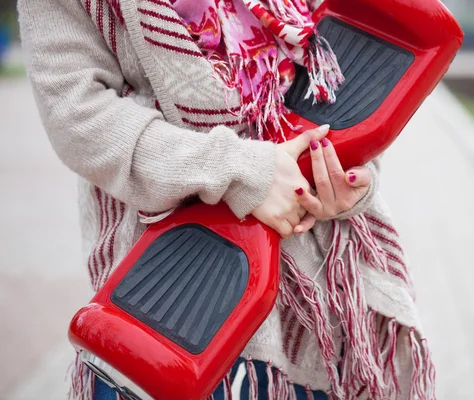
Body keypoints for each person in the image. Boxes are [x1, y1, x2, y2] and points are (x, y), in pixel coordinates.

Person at [18, 0, 435, 398]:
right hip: (173, 298)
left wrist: (341, 174)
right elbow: (79, 115)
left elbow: (340, 56)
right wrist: (241, 172)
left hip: (319, 306)